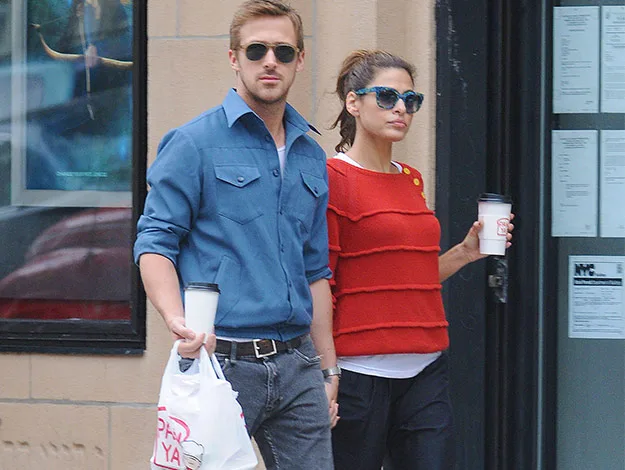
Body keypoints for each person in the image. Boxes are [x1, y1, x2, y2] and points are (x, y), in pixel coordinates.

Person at [133, 1, 338, 469]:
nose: (270, 61)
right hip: (219, 360)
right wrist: (177, 320)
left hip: (298, 364)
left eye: (284, 51)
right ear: (233, 57)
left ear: (300, 60)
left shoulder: (310, 155)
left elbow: (315, 270)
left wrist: (329, 369)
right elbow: (155, 243)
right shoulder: (193, 143)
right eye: (256, 50)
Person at [327, 50, 514, 470]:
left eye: (410, 100)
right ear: (353, 102)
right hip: (359, 372)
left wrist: (465, 252)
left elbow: (409, 277)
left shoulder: (411, 178)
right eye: (387, 96)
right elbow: (321, 282)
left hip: (425, 367)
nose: (401, 108)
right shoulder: (332, 178)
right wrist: (325, 372)